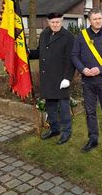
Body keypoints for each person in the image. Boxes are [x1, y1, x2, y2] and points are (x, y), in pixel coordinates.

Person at [71, 8, 102, 157]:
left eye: (99, 18)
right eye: (94, 19)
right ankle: (93, 139)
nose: (97, 21)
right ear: (89, 20)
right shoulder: (82, 36)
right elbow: (74, 55)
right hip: (87, 80)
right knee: (90, 112)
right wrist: (82, 69)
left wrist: (101, 69)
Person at [29, 13, 75, 145]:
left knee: (64, 107)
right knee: (51, 107)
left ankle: (66, 132)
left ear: (62, 21)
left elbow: (70, 60)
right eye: (53, 22)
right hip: (47, 77)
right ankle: (55, 129)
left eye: (58, 22)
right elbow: (40, 52)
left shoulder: (68, 37)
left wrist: (67, 78)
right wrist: (27, 52)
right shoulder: (44, 35)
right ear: (48, 22)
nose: (55, 24)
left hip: (61, 79)